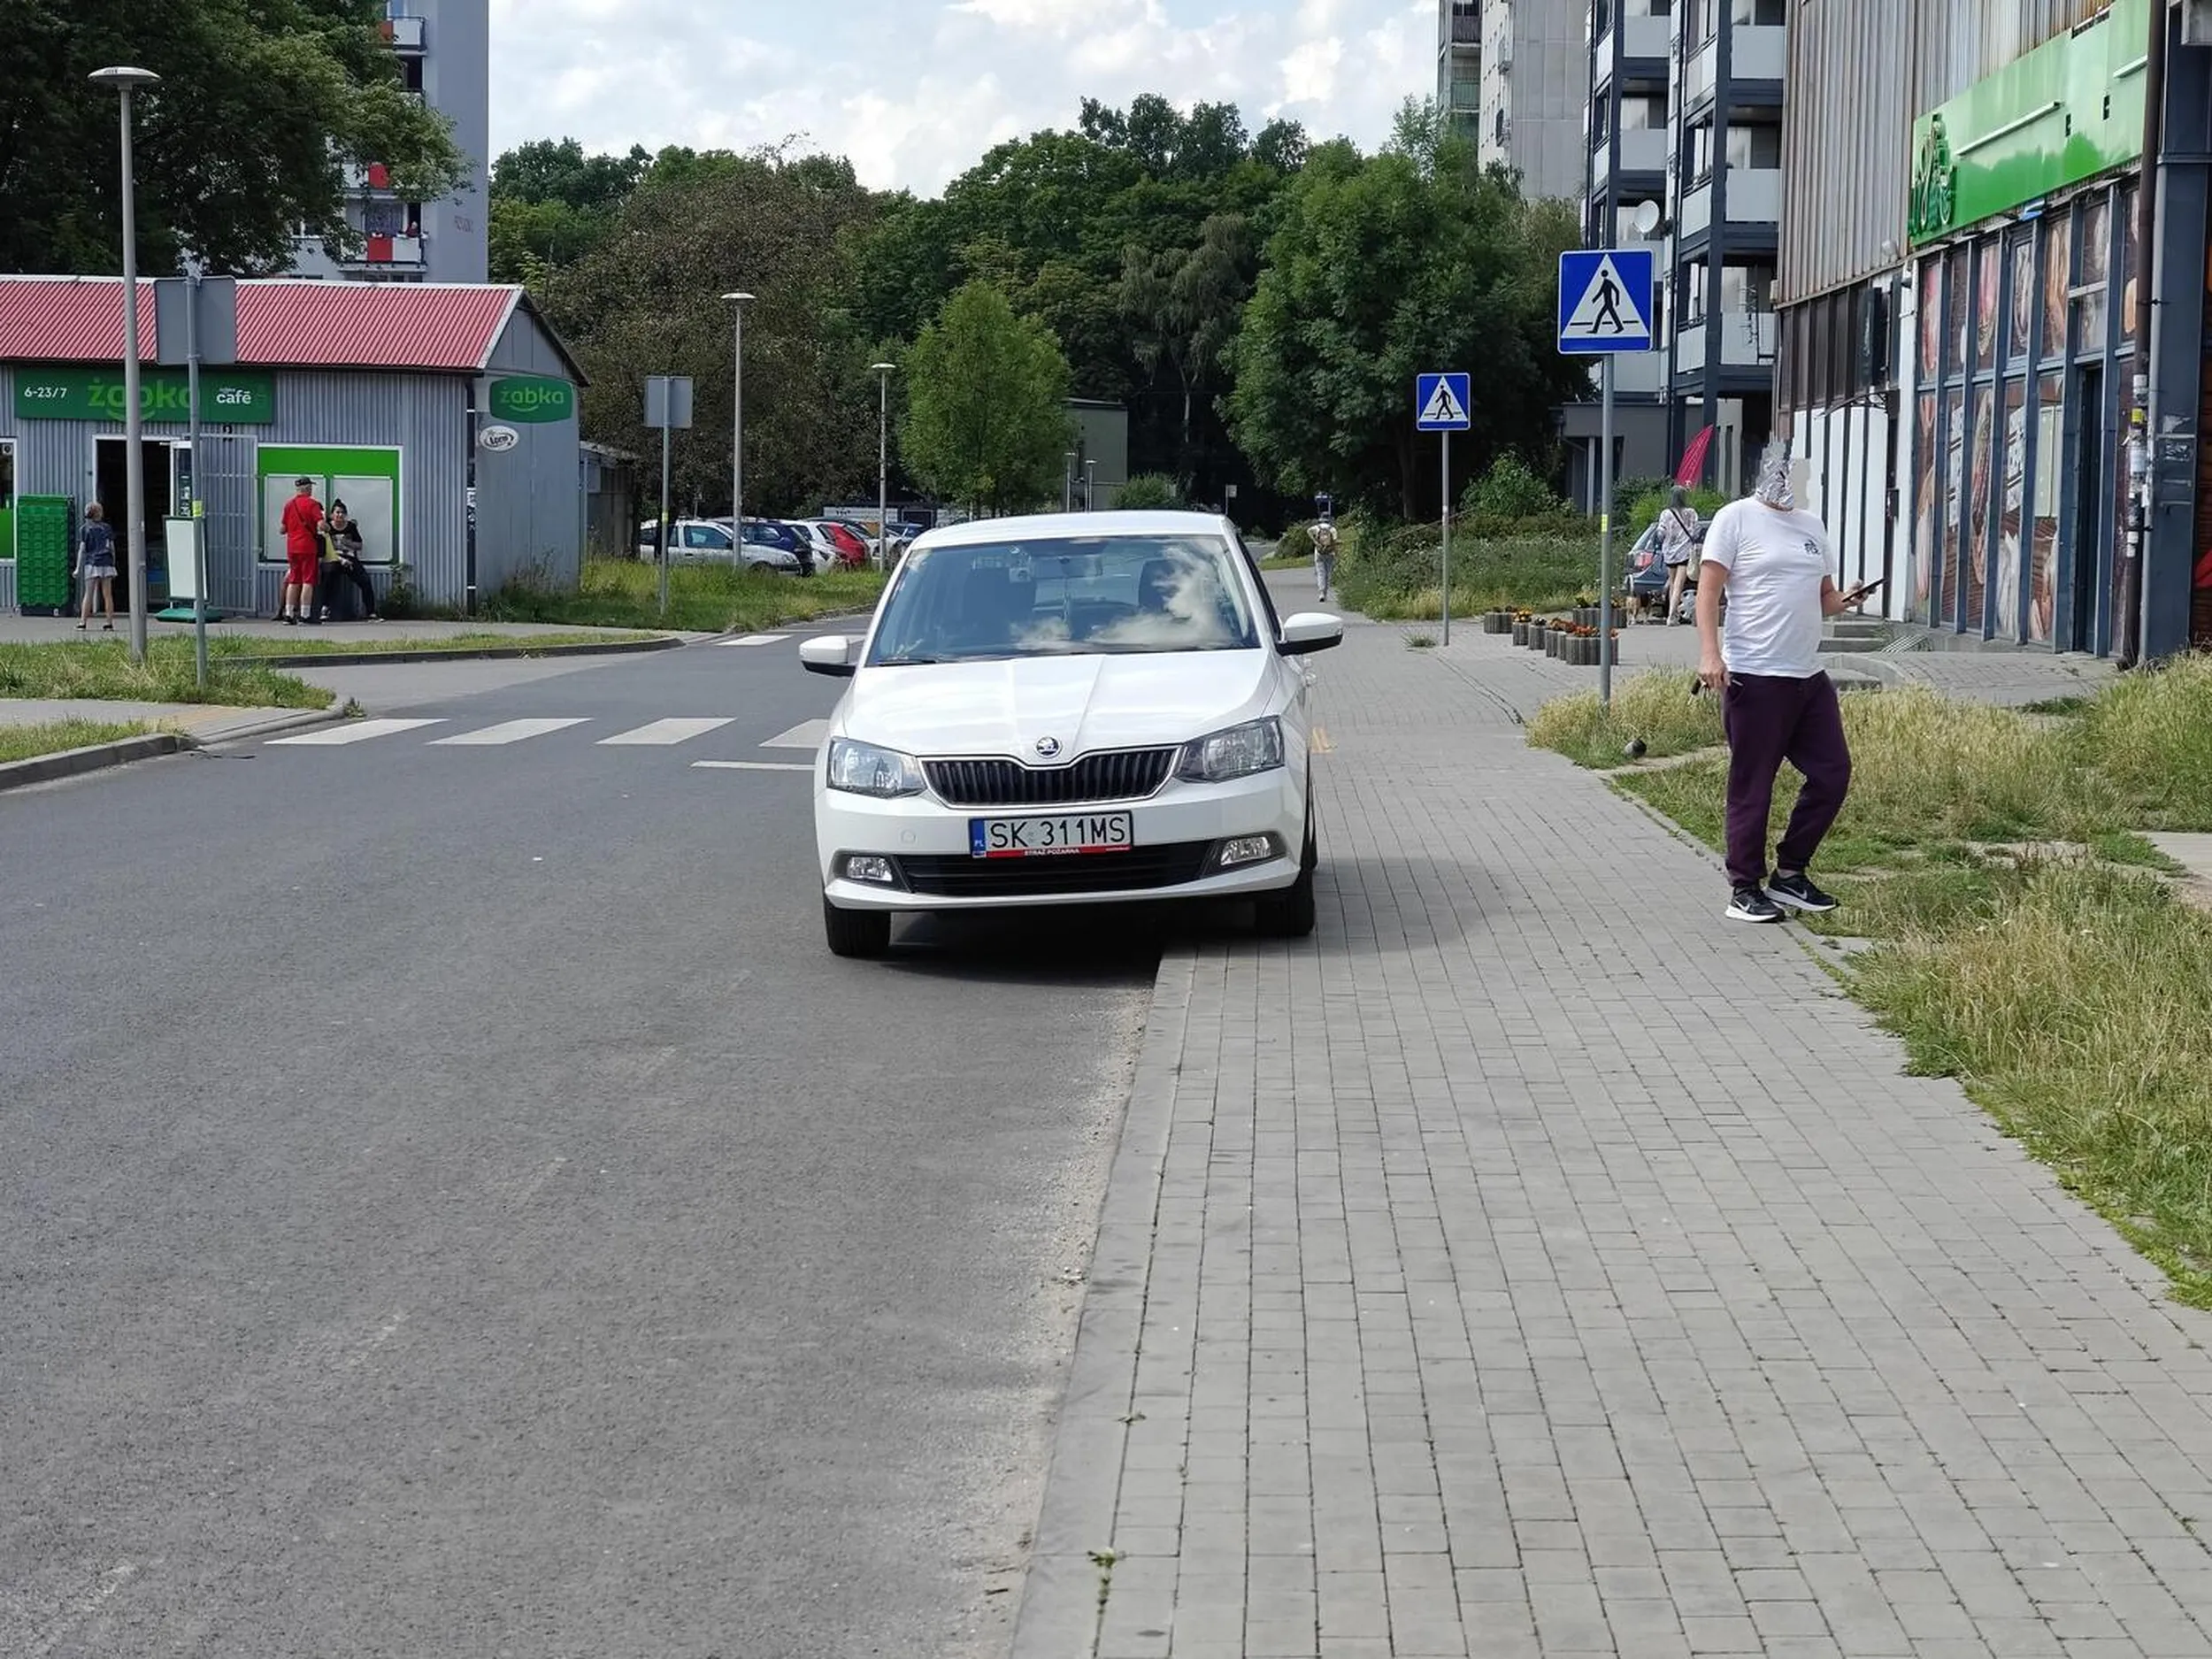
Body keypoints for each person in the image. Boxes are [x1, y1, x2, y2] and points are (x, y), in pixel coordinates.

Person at [1696, 439, 1874, 926]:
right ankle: (1744, 886)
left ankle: (1790, 872)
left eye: (1804, 479)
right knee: (1755, 783)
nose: (1799, 485)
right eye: (1792, 475)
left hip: (1807, 677)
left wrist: (1848, 598)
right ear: (1768, 471)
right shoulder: (1735, 519)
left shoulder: (1811, 526)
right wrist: (1710, 654)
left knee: (1832, 772)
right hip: (1755, 674)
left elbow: (1824, 598)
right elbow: (1707, 592)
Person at [316, 501, 382, 621]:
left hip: (349, 558)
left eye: (342, 513)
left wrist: (348, 543)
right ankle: (325, 608)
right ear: (332, 515)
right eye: (337, 513)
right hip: (333, 558)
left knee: (365, 580)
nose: (340, 515)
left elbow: (359, 545)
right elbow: (325, 549)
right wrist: (339, 559)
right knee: (329, 575)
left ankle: (371, 612)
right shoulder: (327, 527)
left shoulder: (351, 527)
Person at [280, 477, 326, 625]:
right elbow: (321, 525)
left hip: (292, 547)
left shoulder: (289, 505)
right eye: (310, 487)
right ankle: (305, 615)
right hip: (308, 547)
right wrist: (327, 527)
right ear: (307, 488)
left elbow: (282, 529)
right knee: (308, 581)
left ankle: (288, 614)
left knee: (293, 580)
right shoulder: (312, 504)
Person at [1655, 487, 1703, 626]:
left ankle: (1673, 614)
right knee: (1678, 585)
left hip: (1669, 552)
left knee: (1672, 583)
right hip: (1684, 551)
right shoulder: (1691, 513)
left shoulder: (1666, 513)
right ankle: (1671, 616)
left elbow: (1661, 532)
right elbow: (1696, 531)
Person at [74, 502, 118, 632]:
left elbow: (82, 550)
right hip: (106, 563)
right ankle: (109, 623)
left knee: (89, 593)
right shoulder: (107, 528)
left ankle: (83, 622)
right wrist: (113, 563)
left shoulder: (84, 529)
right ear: (99, 513)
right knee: (107, 595)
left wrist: (77, 568)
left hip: (92, 564)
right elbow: (111, 547)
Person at [1311, 518, 1340, 603]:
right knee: (1328, 573)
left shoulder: (1316, 528)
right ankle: (1325, 593)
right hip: (1329, 553)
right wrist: (1337, 553)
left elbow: (1308, 531)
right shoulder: (1333, 529)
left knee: (1320, 573)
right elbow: (1334, 543)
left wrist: (1315, 542)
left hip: (1319, 553)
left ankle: (1321, 593)